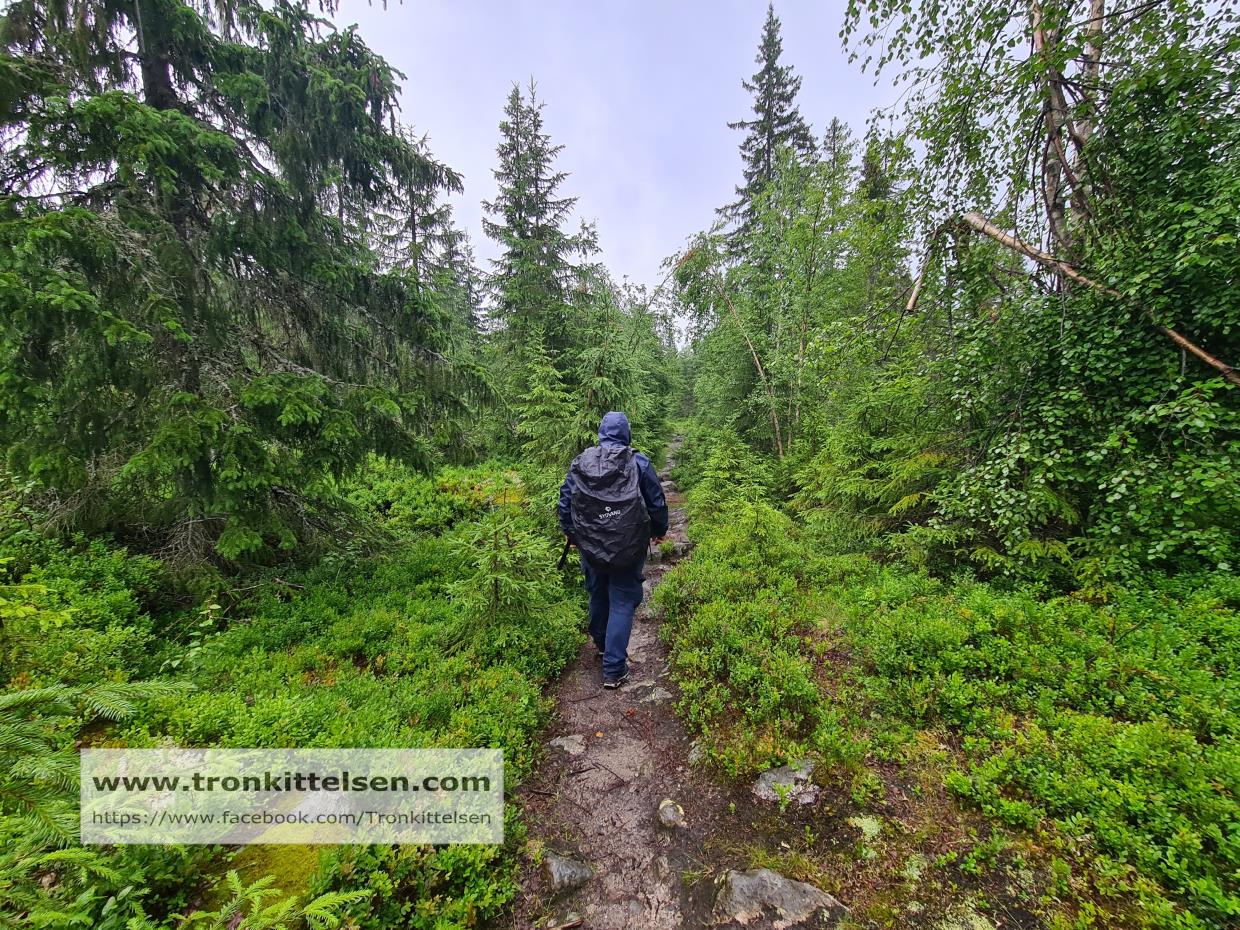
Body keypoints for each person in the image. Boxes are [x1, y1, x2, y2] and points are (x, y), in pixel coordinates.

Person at [558, 411, 668, 689]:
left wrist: (571, 532)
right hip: (628, 545)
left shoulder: (581, 462)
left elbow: (565, 500)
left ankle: (602, 645)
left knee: (597, 593)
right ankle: (614, 670)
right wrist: (659, 531)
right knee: (621, 602)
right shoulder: (638, 462)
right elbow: (656, 501)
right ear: (626, 434)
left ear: (601, 432)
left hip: (591, 546)